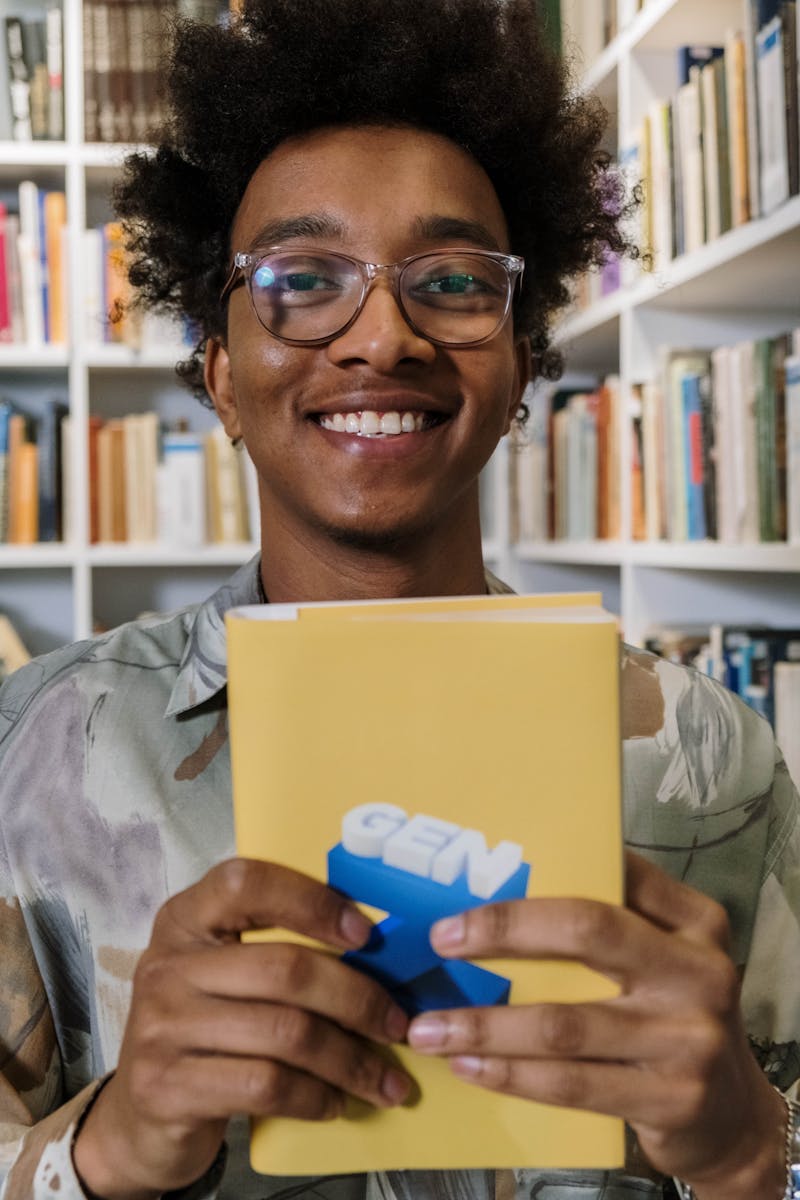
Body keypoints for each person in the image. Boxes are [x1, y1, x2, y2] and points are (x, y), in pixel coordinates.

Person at [1, 1, 798, 1198]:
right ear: (217, 371)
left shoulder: (710, 754)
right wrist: (101, 1147)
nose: (381, 337)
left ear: (524, 365)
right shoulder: (29, 746)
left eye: (452, 280)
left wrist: (753, 1152)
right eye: (302, 278)